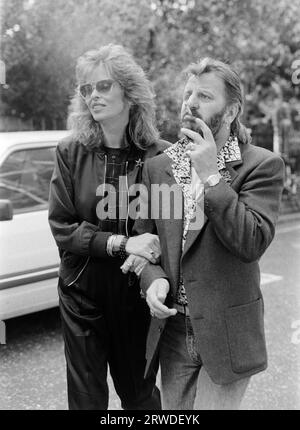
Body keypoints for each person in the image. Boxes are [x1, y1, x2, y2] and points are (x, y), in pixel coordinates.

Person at [127, 58, 285, 409]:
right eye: (187, 94)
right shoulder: (158, 168)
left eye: (204, 96)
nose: (191, 102)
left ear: (231, 112)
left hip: (227, 332)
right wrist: (152, 279)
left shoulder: (262, 165)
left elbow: (251, 241)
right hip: (173, 332)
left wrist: (212, 176)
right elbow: (144, 243)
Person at [48, 44, 169, 410]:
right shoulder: (71, 151)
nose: (92, 96)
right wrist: (121, 242)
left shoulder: (159, 155)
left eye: (103, 86)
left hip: (136, 295)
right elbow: (62, 226)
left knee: (140, 396)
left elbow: (170, 229)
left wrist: (155, 252)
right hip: (81, 293)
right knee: (86, 400)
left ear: (129, 92)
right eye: (86, 89)